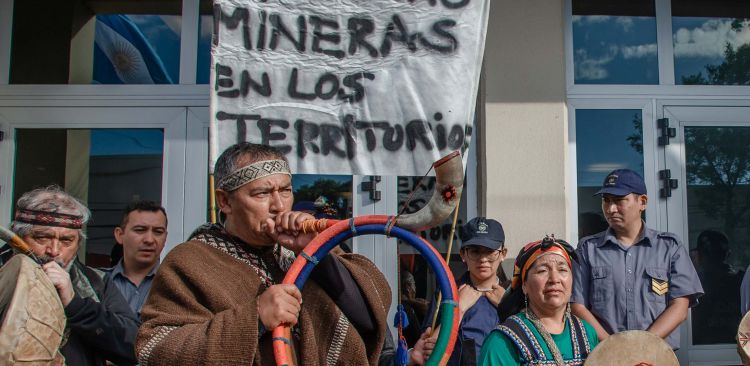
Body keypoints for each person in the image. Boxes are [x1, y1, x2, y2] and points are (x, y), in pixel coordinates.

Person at [135, 142, 432, 365]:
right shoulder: (190, 261)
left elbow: (370, 317)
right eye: (262, 193)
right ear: (224, 201)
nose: (279, 205)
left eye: (286, 190)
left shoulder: (309, 246)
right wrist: (254, 317)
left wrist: (317, 255)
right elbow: (157, 349)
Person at [1, 186, 139, 366]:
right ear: (18, 237)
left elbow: (134, 346)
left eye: (66, 241)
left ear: (78, 242)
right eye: (42, 238)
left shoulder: (95, 282)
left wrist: (75, 304)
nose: (54, 251)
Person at [571, 169, 704, 350]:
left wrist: (641, 346)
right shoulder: (588, 249)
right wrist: (613, 347)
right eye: (606, 201)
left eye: (619, 201)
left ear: (642, 202)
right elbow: (577, 306)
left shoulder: (669, 247)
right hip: (606, 356)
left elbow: (680, 307)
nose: (610, 209)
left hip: (656, 356)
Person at [479, 236, 599, 365]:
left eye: (562, 270)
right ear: (524, 285)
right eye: (542, 271)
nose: (554, 279)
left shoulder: (587, 333)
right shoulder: (502, 342)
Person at [425, 217, 509, 365]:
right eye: (475, 252)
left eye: (490, 251)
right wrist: (458, 309)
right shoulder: (447, 294)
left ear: (503, 253)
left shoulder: (515, 294)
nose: (483, 259)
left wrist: (508, 307)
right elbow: (430, 353)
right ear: (463, 254)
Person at [103, 200, 168, 317]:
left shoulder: (174, 285)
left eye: (158, 232)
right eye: (140, 230)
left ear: (165, 238)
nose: (149, 239)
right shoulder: (97, 282)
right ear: (119, 235)